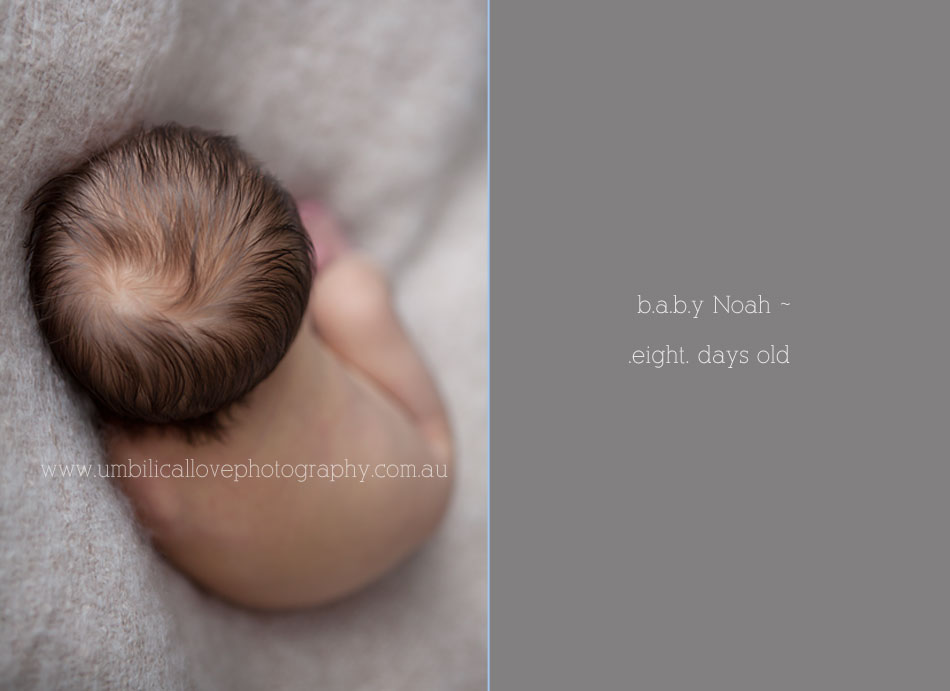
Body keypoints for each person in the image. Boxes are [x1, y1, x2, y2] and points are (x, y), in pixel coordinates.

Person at [25, 124, 454, 609]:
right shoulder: (287, 322)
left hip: (291, 593)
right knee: (354, 298)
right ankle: (335, 265)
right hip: (423, 488)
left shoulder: (149, 476)